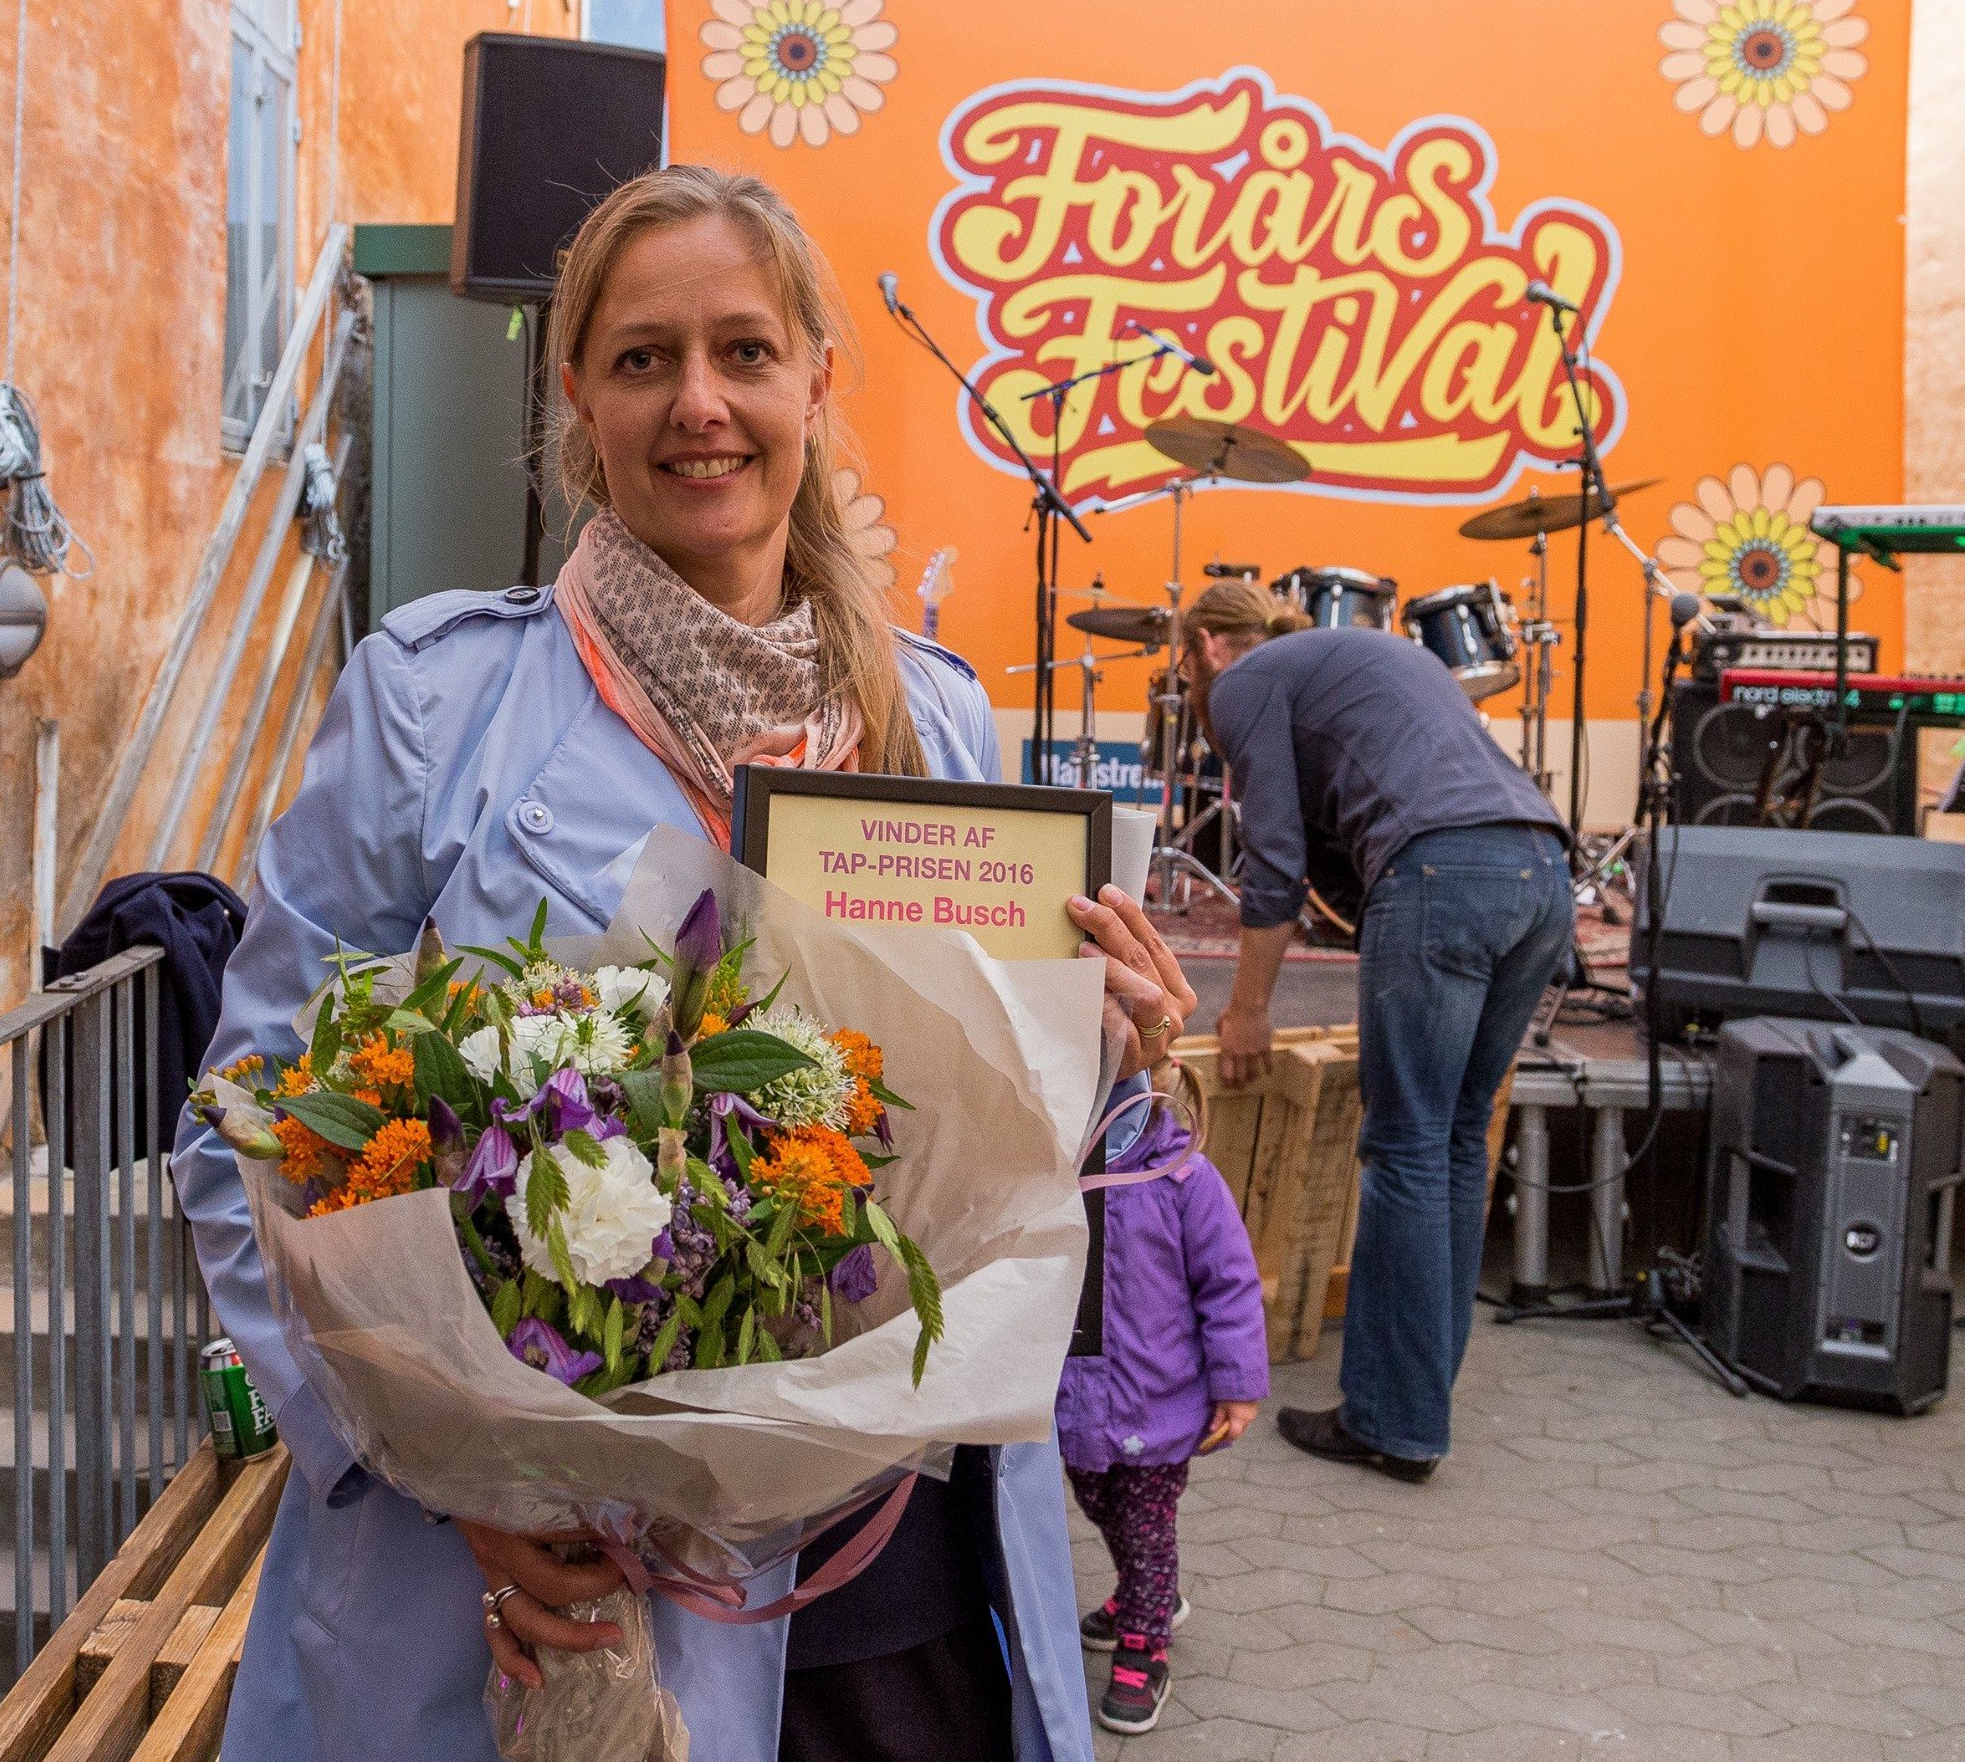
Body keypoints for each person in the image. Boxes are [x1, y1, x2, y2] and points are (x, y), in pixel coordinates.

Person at [172, 164, 1196, 1762]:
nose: (699, 404)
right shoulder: (434, 704)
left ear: (815, 381)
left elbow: (987, 1165)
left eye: (744, 352)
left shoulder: (939, 725)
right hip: (531, 1599)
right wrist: (442, 1482)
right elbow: (240, 1126)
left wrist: (1111, 1059)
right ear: (575, 392)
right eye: (645, 358)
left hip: (890, 1593)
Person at [1180, 580, 1573, 1481]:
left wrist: (1246, 1009)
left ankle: (1391, 1422)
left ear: (1205, 648)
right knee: (1456, 1140)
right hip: (1542, 868)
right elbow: (1338, 860)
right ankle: (1421, 1396)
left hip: (1442, 870)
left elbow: (1274, 860)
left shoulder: (1245, 682)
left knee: (1404, 1147)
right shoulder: (1363, 655)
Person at [1056, 1092, 1268, 1735]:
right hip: (1079, 1396)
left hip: (1159, 1396)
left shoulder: (1183, 1175)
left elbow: (1229, 1282)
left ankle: (1145, 1643)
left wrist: (1238, 1384)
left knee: (1146, 1524)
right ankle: (1147, 1590)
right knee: (1097, 1500)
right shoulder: (1050, 1163)